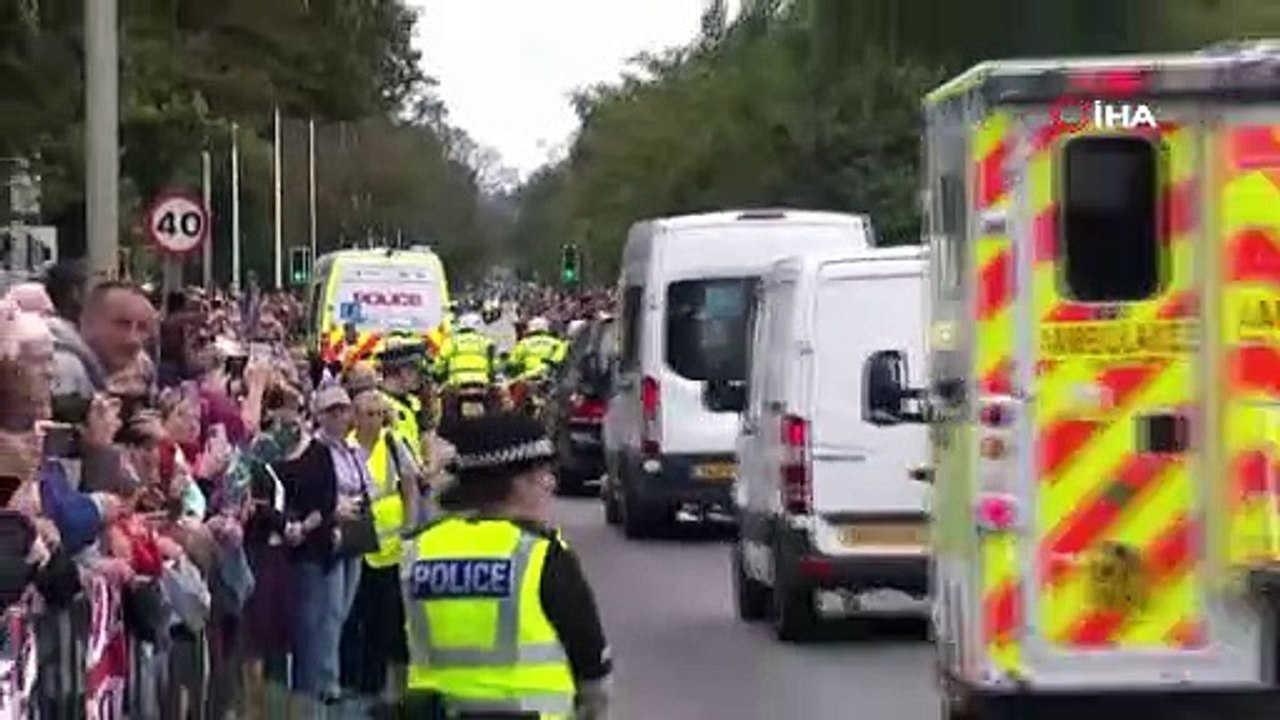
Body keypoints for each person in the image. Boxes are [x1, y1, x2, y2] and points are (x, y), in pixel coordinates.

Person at [402, 413, 612, 719]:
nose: (551, 484)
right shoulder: (541, 553)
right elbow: (591, 659)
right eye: (541, 474)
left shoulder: (417, 549)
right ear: (514, 484)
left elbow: (395, 651)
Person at [339, 389, 420, 713]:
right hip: (357, 543)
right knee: (351, 617)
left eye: (378, 413)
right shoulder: (347, 446)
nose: (373, 419)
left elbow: (410, 486)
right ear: (355, 417)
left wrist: (410, 530)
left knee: (383, 620)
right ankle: (349, 682)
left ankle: (373, 686)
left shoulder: (392, 443)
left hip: (389, 549)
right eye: (367, 414)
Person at [433, 313, 497, 389]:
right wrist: (493, 375)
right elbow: (493, 364)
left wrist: (437, 374)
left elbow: (440, 364)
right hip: (481, 383)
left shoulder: (451, 341)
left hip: (456, 383)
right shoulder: (485, 341)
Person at [506, 317, 567, 382]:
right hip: (549, 379)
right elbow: (559, 360)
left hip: (525, 378)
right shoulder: (558, 343)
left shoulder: (523, 343)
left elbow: (511, 364)